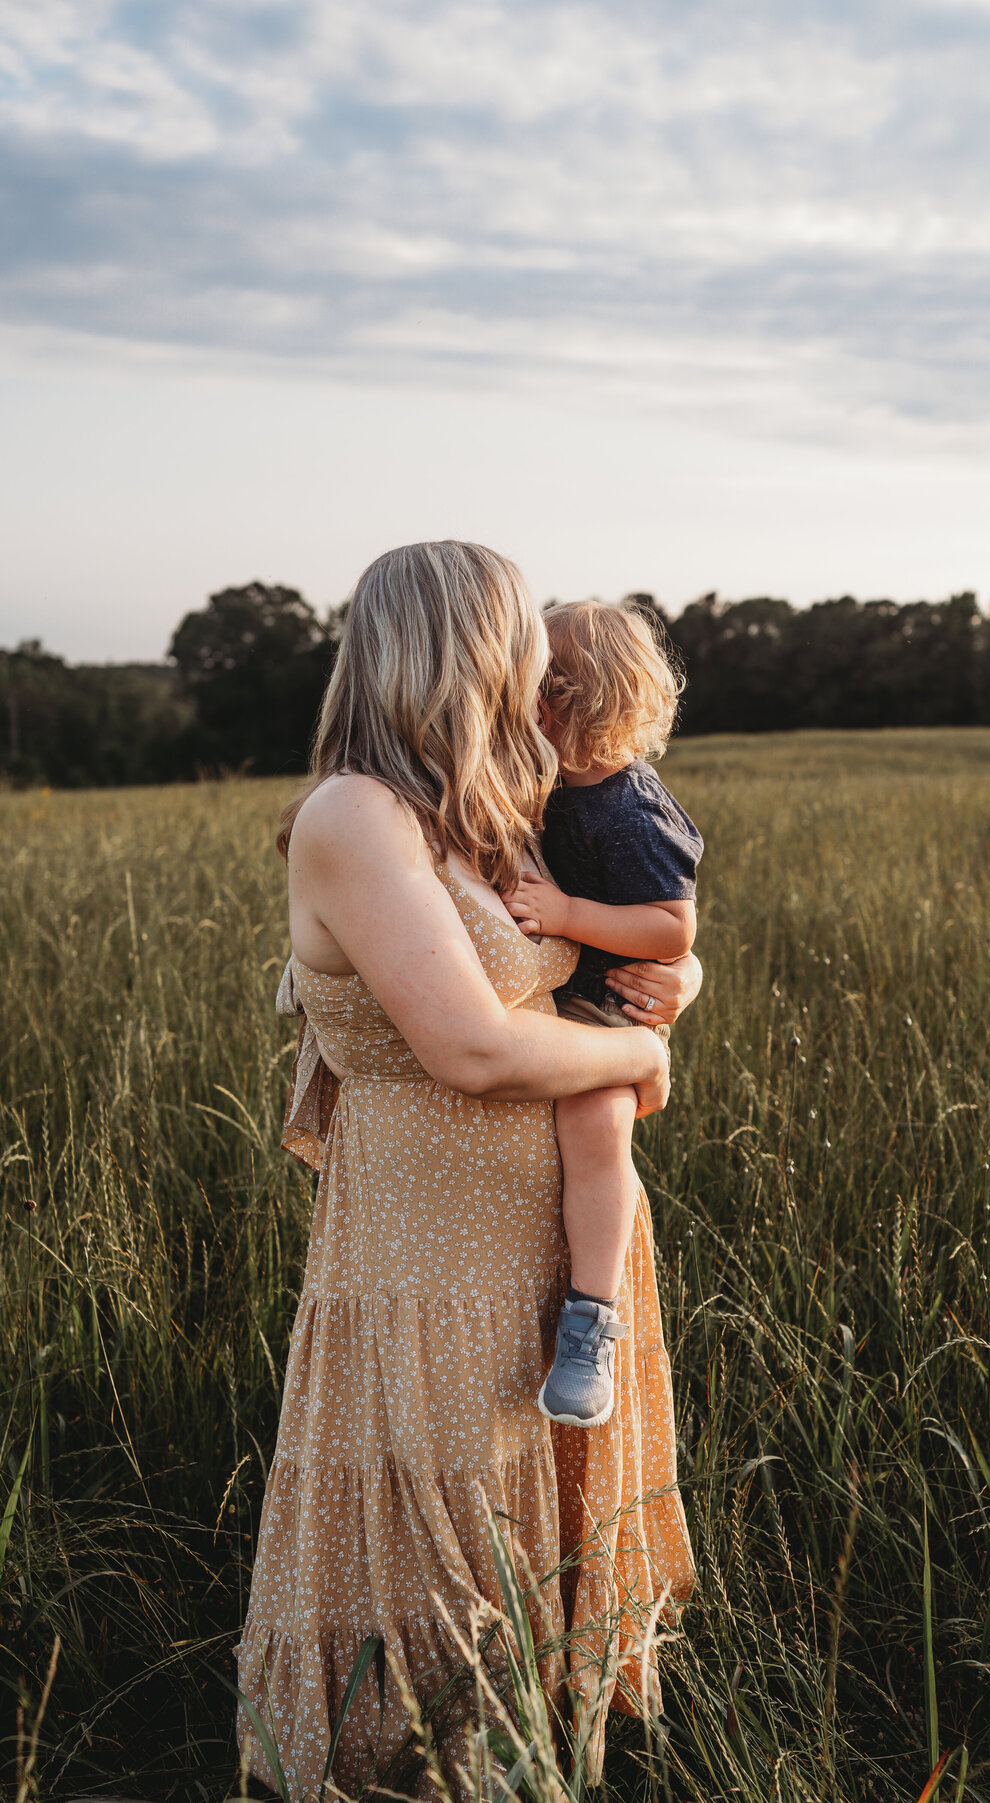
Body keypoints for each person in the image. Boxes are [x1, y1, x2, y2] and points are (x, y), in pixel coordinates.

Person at [235, 542, 700, 1801]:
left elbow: (605, 960)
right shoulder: (354, 816)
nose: (545, 665)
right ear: (467, 648)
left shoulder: (477, 813)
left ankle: (550, 1767)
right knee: (441, 1539)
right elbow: (471, 1046)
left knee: (532, 1521)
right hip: (428, 1247)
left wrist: (670, 989)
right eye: (524, 639)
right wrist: (644, 1051)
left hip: (550, 1233)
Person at [502, 602, 702, 1430]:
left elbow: (670, 927)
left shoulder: (631, 809)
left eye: (528, 690)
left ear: (563, 701)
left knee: (595, 1124)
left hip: (610, 1003)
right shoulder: (548, 782)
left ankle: (589, 1321)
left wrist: (564, 912)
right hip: (559, 992)